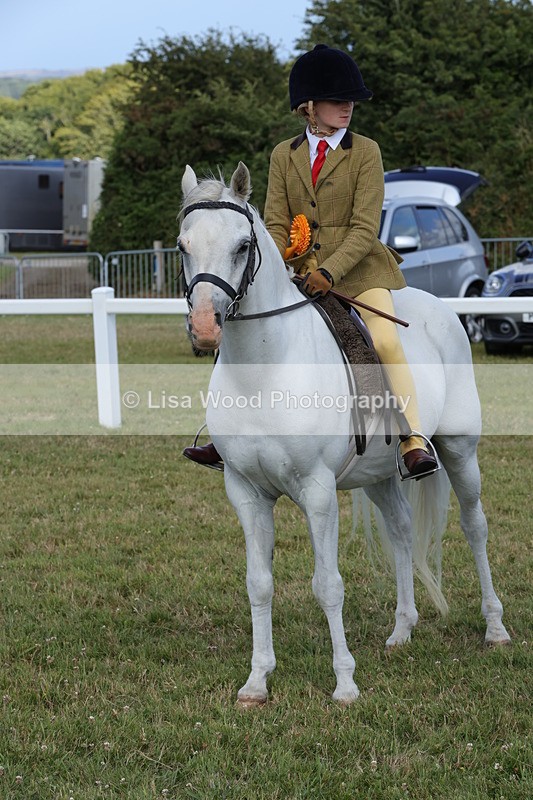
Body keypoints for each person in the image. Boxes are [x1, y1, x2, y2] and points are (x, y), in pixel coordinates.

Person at [184, 44, 438, 479]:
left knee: (384, 341)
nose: (348, 107)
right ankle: (225, 433)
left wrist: (329, 271)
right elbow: (277, 224)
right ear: (309, 107)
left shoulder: (366, 152)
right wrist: (284, 263)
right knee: (244, 329)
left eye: (350, 100)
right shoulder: (284, 155)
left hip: (359, 272)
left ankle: (411, 438)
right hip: (299, 276)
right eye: (338, 100)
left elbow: (364, 229)